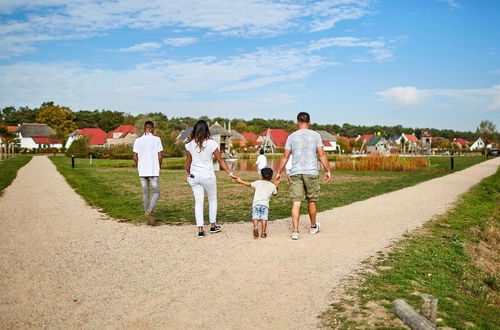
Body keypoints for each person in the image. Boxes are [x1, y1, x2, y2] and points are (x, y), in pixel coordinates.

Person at [276, 112, 331, 240]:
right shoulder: (316, 135)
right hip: (311, 171)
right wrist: (327, 170)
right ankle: (313, 227)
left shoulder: (292, 137)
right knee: (311, 200)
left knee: (296, 202)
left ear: (297, 122)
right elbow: (321, 154)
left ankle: (295, 231)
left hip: (296, 172)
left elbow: (285, 156)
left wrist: (279, 171)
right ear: (309, 122)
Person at [185, 120, 238, 238]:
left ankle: (200, 230)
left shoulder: (189, 144)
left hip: (195, 176)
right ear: (206, 130)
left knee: (198, 203)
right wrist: (230, 173)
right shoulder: (212, 143)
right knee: (212, 200)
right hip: (208, 176)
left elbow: (188, 161)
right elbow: (220, 160)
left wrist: (187, 173)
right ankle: (213, 226)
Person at [233, 167, 280, 239]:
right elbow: (275, 194)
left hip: (256, 204)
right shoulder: (272, 185)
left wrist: (240, 181)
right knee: (264, 219)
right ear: (271, 177)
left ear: (261, 176)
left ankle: (255, 226)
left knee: (255, 217)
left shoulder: (258, 182)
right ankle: (263, 233)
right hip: (265, 205)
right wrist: (277, 185)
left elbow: (248, 184)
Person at [133, 121, 163, 226]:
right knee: (156, 192)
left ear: (144, 128)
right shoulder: (156, 140)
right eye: (153, 129)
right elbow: (160, 156)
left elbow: (135, 157)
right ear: (151, 128)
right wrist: (159, 167)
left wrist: (139, 167)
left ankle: (147, 215)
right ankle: (149, 212)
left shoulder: (137, 140)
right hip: (153, 170)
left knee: (145, 193)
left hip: (142, 171)